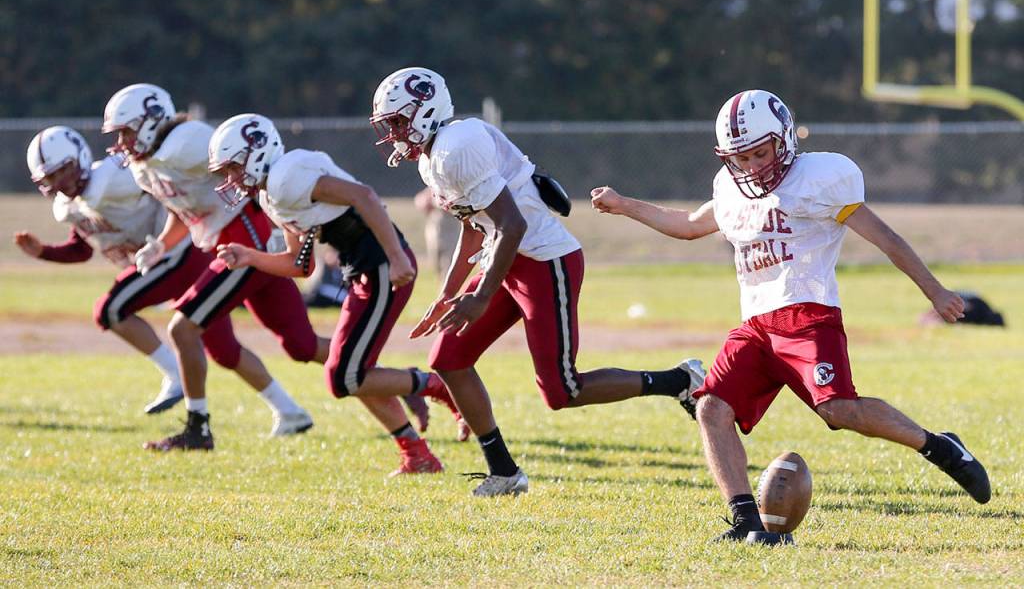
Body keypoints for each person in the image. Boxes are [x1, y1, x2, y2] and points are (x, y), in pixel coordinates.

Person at [591, 89, 991, 541]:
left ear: (783, 139)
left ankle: (939, 446)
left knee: (841, 411)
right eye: (740, 159)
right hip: (755, 326)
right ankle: (746, 524)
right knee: (711, 408)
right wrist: (625, 206)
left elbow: (886, 238)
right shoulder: (731, 190)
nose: (753, 167)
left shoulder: (817, 179)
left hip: (809, 317)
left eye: (761, 153)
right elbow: (687, 224)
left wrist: (934, 290)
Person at [370, 67, 705, 496]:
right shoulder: (435, 158)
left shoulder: (457, 146)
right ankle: (505, 472)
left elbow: (513, 225)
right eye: (390, 124)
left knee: (562, 390)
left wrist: (480, 296)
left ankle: (678, 380)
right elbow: (475, 228)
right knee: (449, 357)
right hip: (506, 260)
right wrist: (448, 294)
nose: (394, 133)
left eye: (398, 121)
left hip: (545, 262)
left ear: (426, 110)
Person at [210, 114, 469, 475]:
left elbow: (363, 196)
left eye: (234, 168)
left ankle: (434, 387)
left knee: (345, 376)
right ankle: (416, 453)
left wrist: (395, 257)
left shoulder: (288, 176)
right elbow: (300, 265)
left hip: (381, 266)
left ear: (256, 153)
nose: (232, 179)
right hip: (363, 271)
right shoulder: (272, 193)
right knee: (347, 372)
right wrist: (250, 256)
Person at [102, 84, 319, 449]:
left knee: (183, 329)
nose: (121, 141)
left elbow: (244, 169)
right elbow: (183, 208)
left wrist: (285, 221)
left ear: (151, 121)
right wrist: (159, 246)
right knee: (302, 345)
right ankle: (377, 380)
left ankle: (197, 429)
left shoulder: (187, 141)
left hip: (247, 240)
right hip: (233, 244)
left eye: (125, 130)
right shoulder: (146, 166)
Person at [16, 126, 211, 414]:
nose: (60, 182)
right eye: (51, 177)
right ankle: (289, 412)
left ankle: (175, 375)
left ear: (80, 157)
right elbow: (81, 249)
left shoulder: (117, 176)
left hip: (175, 253)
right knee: (225, 349)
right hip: (153, 263)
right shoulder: (70, 207)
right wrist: (43, 252)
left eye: (63, 171)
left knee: (110, 309)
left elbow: (167, 189)